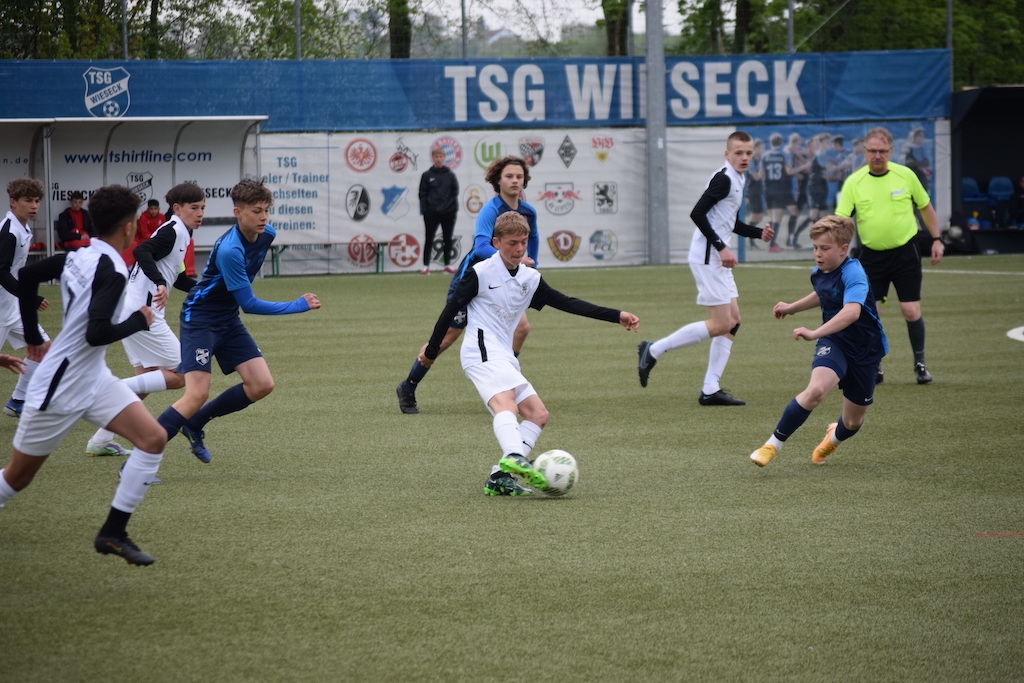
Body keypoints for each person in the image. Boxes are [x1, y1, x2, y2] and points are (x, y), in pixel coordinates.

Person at [0, 184, 168, 566]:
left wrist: (32, 337)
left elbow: (27, 275)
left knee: (153, 438)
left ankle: (113, 533)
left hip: (92, 377)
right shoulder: (112, 269)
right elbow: (96, 333)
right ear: (129, 227)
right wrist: (138, 321)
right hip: (59, 387)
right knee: (16, 479)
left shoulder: (80, 253)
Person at [422, 212, 639, 495]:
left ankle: (500, 477)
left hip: (503, 355)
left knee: (538, 415)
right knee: (507, 406)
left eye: (523, 242)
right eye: (512, 243)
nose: (519, 249)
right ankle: (514, 456)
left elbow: (567, 303)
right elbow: (450, 310)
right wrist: (432, 350)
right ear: (497, 243)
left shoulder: (530, 278)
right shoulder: (480, 273)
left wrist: (616, 315)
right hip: (480, 351)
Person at [155, 178, 321, 463]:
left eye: (266, 210)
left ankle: (194, 424)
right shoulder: (230, 250)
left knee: (261, 384)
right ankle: (139, 459)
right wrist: (297, 305)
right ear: (237, 213)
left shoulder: (267, 234)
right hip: (201, 319)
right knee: (196, 395)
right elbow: (249, 304)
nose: (264, 217)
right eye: (256, 211)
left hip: (227, 318)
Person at [637, 131, 775, 405]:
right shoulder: (724, 179)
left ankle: (710, 389)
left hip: (716, 257)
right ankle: (653, 350)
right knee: (722, 323)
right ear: (727, 154)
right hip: (707, 257)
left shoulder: (738, 178)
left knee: (733, 321)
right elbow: (697, 213)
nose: (745, 157)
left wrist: (758, 233)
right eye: (739, 153)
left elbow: (729, 222)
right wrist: (722, 247)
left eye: (749, 153)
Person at [396, 155, 539, 414]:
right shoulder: (491, 210)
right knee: (446, 339)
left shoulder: (528, 212)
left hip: (503, 282)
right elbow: (482, 246)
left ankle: (505, 381)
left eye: (519, 176)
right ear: (498, 180)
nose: (515, 180)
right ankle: (408, 386)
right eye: (509, 176)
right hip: (473, 280)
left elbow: (535, 239)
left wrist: (530, 266)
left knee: (522, 327)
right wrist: (511, 259)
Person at [750, 215, 887, 467]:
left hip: (865, 349)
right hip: (834, 340)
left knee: (852, 422)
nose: (818, 254)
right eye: (815, 248)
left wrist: (814, 332)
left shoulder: (854, 273)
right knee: (815, 391)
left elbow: (851, 312)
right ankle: (771, 445)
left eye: (825, 248)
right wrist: (792, 308)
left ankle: (833, 438)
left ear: (843, 249)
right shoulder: (820, 272)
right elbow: (823, 293)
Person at [84, 183, 204, 457]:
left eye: (202, 208)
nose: (200, 213)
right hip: (142, 312)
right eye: (194, 208)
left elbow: (180, 278)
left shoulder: (181, 232)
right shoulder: (173, 230)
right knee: (182, 373)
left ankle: (100, 440)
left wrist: (208, 290)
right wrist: (160, 282)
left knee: (148, 380)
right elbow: (142, 251)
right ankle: (104, 391)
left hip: (130, 308)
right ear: (177, 209)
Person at [835, 126, 941, 385]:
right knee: (871, 313)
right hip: (871, 257)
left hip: (905, 254)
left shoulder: (906, 175)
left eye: (882, 151)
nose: (877, 156)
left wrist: (937, 239)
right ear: (864, 152)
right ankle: (875, 365)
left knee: (910, 310)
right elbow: (842, 221)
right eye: (872, 151)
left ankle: (920, 364)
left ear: (891, 151)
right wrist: (837, 251)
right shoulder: (854, 182)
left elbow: (925, 207)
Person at [0, 178, 51, 419]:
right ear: (13, 202)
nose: (34, 206)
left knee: (43, 348)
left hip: (12, 307)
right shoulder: (9, 231)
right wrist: (29, 296)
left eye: (37, 201)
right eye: (28, 200)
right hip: (1, 309)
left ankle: (18, 400)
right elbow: (1, 273)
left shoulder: (23, 228)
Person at [418, 147, 459, 275]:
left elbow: (455, 192)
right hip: (431, 213)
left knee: (448, 239)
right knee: (429, 238)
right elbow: (422, 193)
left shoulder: (450, 175)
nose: (438, 159)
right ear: (433, 158)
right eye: (436, 157)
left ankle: (447, 265)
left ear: (444, 158)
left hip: (448, 212)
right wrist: (426, 209)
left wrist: (452, 208)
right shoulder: (427, 175)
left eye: (440, 157)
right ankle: (425, 266)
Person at [761, 133, 797, 253]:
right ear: (781, 143)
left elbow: (761, 174)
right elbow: (788, 171)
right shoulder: (783, 155)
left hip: (768, 189)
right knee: (776, 219)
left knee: (774, 218)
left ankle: (773, 242)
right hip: (779, 189)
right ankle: (772, 245)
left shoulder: (765, 156)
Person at [123, 199, 165, 267]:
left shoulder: (162, 217)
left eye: (155, 209)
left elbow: (162, 230)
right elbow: (144, 233)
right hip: (144, 240)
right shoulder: (143, 217)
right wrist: (155, 239)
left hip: (156, 240)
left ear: (159, 209)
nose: (153, 211)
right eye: (151, 209)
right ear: (148, 209)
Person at [744, 138, 765, 250]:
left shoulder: (760, 160)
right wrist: (762, 169)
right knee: (755, 216)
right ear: (755, 149)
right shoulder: (751, 161)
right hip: (751, 192)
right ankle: (750, 242)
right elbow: (756, 177)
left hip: (758, 191)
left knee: (759, 216)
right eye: (761, 148)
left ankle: (748, 237)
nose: (762, 150)